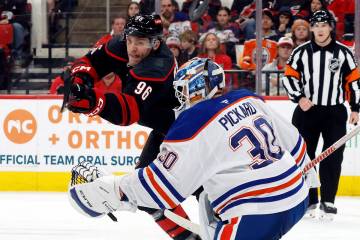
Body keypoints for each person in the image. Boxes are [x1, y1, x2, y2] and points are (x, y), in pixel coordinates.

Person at [68, 57, 319, 240]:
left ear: (198, 89)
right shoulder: (248, 98)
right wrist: (308, 182)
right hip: (296, 199)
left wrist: (112, 190)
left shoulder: (194, 122)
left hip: (255, 214)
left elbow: (163, 187)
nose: (180, 98)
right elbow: (296, 143)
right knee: (209, 198)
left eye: (183, 91)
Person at [65, 14, 199, 240]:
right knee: (147, 195)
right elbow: (90, 62)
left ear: (155, 43)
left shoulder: (159, 66)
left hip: (188, 135)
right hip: (165, 129)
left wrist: (91, 102)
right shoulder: (122, 44)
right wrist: (79, 82)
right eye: (130, 40)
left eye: (140, 42)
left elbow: (128, 111)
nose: (133, 49)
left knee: (205, 190)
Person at [282, 10, 360, 220]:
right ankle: (309, 201)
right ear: (312, 28)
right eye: (316, 25)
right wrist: (299, 98)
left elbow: (354, 81)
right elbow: (289, 77)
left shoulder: (344, 53)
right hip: (307, 112)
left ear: (330, 27)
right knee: (304, 157)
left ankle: (328, 201)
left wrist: (355, 107)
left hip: (334, 112)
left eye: (324, 25)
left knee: (333, 157)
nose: (320, 29)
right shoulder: (300, 52)